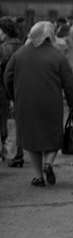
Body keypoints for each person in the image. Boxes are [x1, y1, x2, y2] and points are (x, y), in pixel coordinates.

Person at [3, 21, 73, 186]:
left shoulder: (20, 54)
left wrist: (14, 96)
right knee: (52, 136)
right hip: (51, 102)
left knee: (31, 140)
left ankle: (39, 177)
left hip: (25, 103)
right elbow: (69, 83)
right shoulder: (58, 56)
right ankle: (49, 164)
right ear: (50, 35)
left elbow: (7, 77)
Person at [0, 18, 23, 163]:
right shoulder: (22, 46)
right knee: (19, 121)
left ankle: (4, 150)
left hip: (3, 88)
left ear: (5, 32)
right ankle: (18, 152)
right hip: (20, 87)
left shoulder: (2, 48)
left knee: (3, 120)